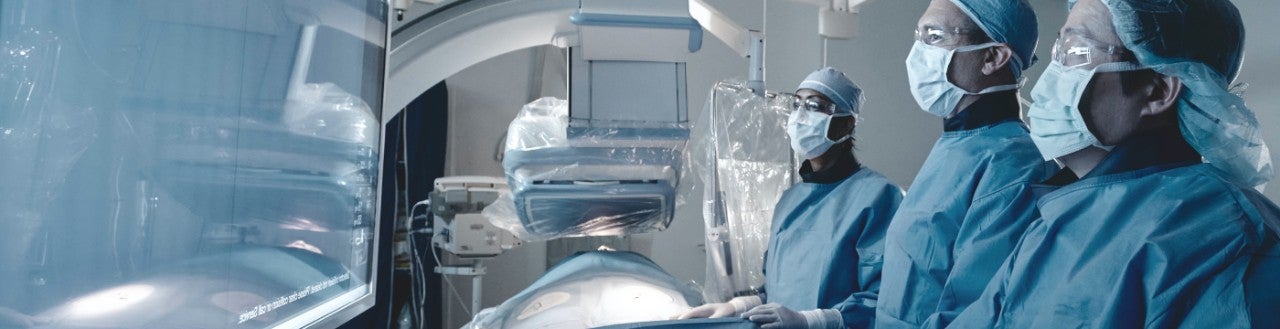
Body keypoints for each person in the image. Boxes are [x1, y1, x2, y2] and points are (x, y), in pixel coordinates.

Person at [945, 0, 1280, 327]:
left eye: (1076, 53)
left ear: (1158, 91)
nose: (1049, 78)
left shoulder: (1227, 240)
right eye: (1058, 51)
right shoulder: (1058, 217)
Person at [676, 68, 903, 329]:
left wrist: (811, 321)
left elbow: (886, 299)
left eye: (815, 106)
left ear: (847, 123)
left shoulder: (878, 197)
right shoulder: (790, 201)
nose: (801, 116)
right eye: (796, 105)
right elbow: (779, 290)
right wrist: (738, 306)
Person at [875, 0, 1050, 328]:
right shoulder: (955, 145)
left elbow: (975, 311)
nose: (918, 51)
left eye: (935, 36)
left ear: (992, 57)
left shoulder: (1014, 163)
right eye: (919, 35)